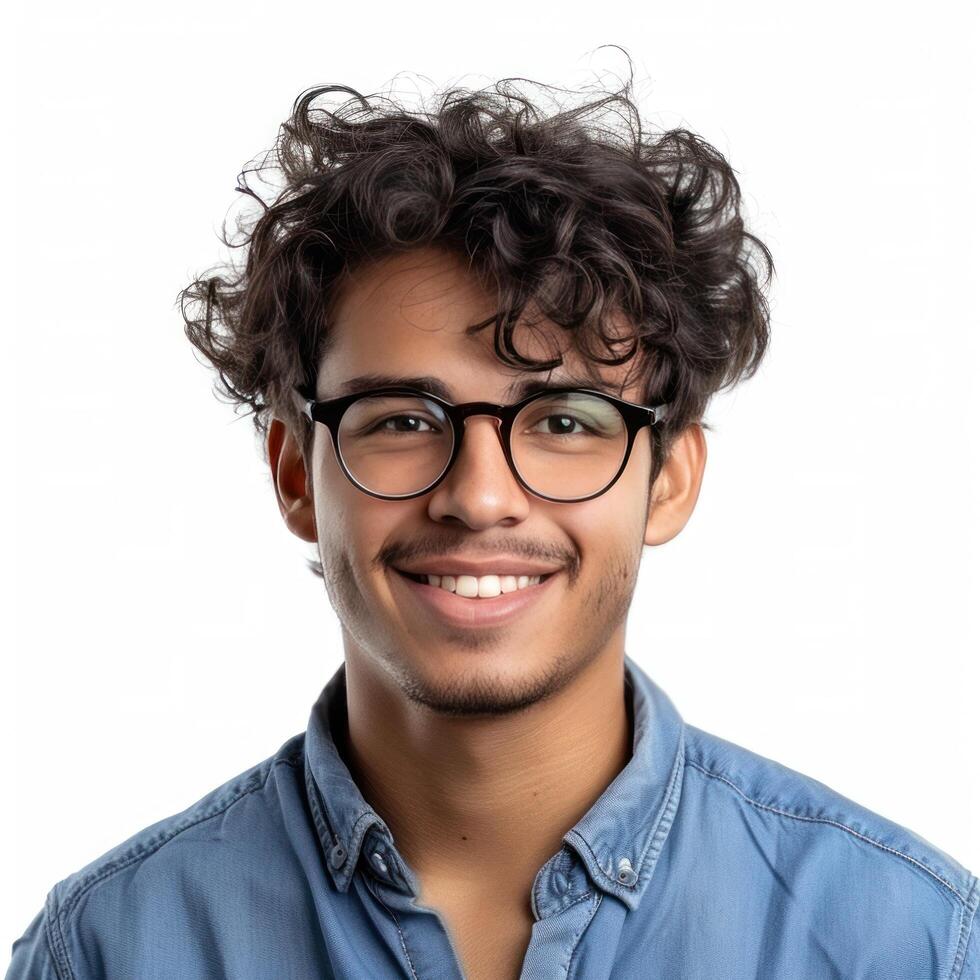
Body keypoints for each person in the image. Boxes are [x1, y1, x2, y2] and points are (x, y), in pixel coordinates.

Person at [7, 71, 978, 980]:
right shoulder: (106, 948)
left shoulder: (908, 940)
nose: (477, 496)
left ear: (668, 478)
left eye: (562, 421)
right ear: (296, 473)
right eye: (399, 420)